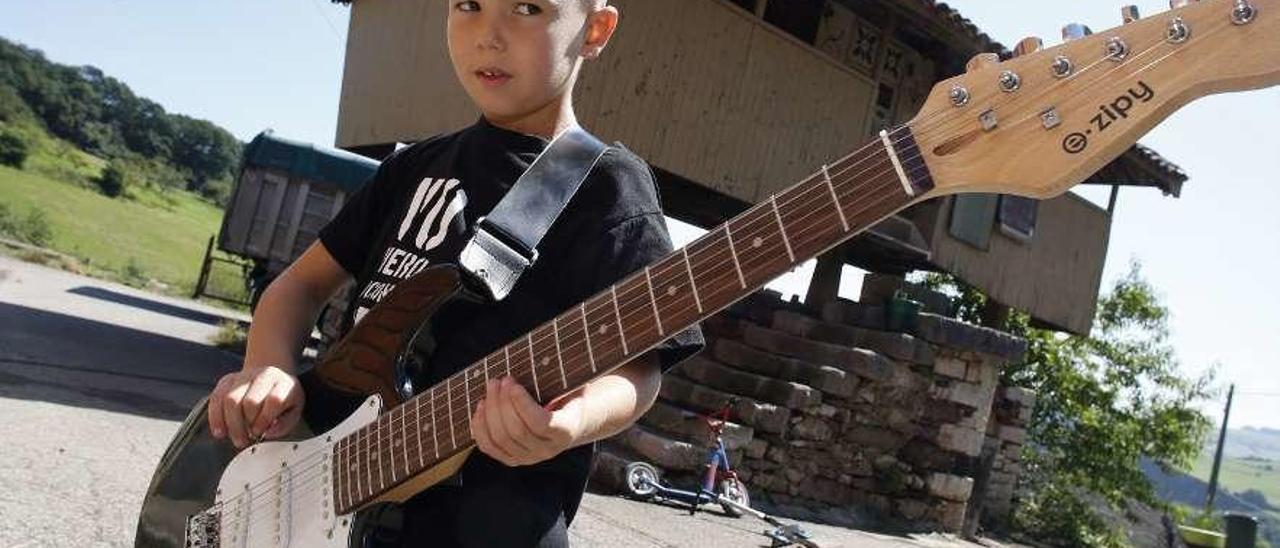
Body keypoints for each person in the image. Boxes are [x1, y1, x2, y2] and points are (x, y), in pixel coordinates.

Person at [205, 0, 704, 546]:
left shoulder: (609, 190)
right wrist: (266, 370)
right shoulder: (413, 166)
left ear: (596, 29)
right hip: (324, 494)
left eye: (527, 8)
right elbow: (298, 287)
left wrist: (573, 422)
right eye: (467, 5)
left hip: (486, 522)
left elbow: (639, 369)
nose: (488, 34)